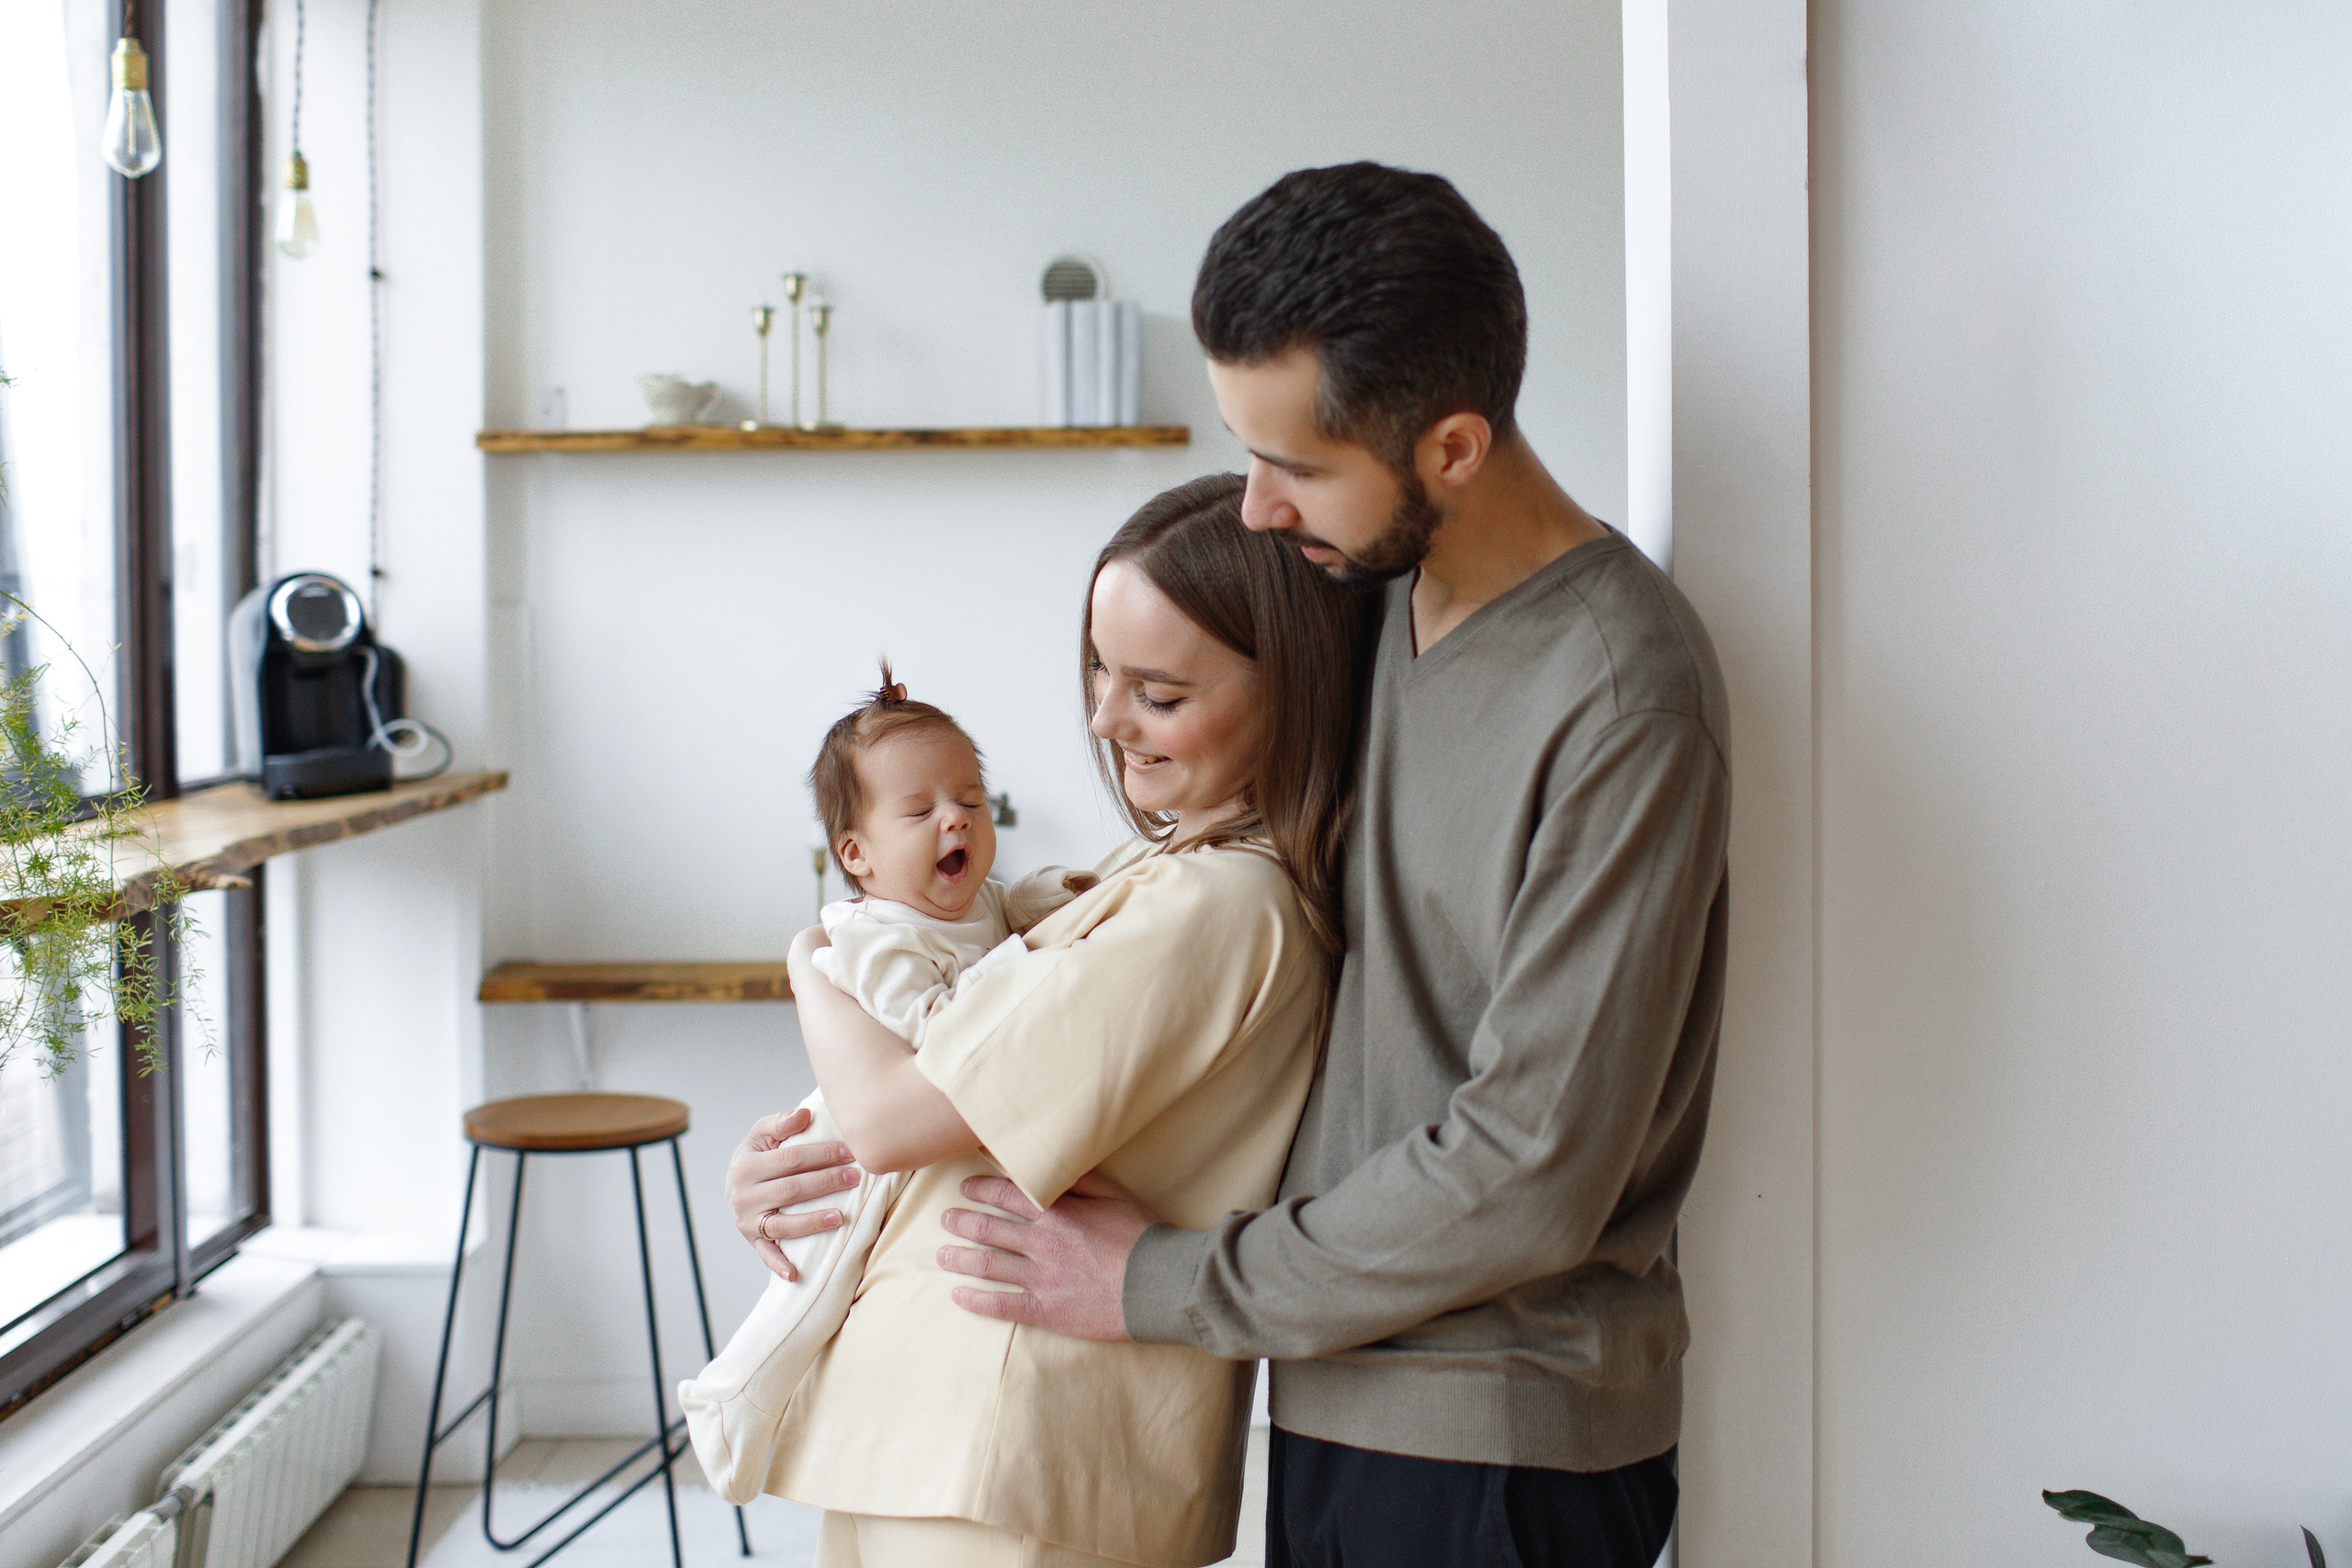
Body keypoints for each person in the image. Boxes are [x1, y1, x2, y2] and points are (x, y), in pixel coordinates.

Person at [916, 163, 1732, 1568]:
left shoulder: (1620, 692)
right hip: (1335, 1390)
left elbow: (1536, 1164)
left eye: (1292, 465)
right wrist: (847, 1105)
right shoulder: (1377, 602)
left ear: (1453, 449)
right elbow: (1182, 889)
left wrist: (1159, 1281)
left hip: (1502, 1438)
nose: (1255, 508)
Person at [734, 473, 1376, 1568]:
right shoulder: (1157, 867)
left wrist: (813, 961)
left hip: (1013, 1449)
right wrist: (791, 1163)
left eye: (1158, 693)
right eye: (1098, 670)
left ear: (1294, 690)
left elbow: (892, 1115)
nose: (1102, 719)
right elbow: (929, 1096)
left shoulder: (1215, 906)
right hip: (950, 1434)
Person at [680, 667, 1094, 1503]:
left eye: (971, 800)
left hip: (894, 1138)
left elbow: (1021, 906)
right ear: (856, 854)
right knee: (813, 1294)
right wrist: (1033, 961)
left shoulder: (975, 907)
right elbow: (940, 1028)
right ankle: (730, 1394)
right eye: (920, 810)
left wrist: (1077, 896)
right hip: (845, 1151)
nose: (956, 819)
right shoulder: (872, 937)